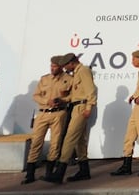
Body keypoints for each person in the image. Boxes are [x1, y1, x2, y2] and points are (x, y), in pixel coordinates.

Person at [22, 56, 72, 184]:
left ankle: (49, 173)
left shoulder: (69, 79)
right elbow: (36, 95)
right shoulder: (44, 79)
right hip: (43, 113)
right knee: (36, 142)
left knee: (55, 144)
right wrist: (46, 101)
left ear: (61, 67)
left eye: (55, 66)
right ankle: (30, 174)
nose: (52, 68)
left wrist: (62, 100)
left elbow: (72, 96)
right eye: (51, 66)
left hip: (59, 113)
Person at [57, 53, 96, 182]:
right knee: (80, 141)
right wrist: (62, 100)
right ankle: (84, 171)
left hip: (81, 107)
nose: (65, 69)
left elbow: (91, 90)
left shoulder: (83, 70)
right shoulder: (77, 73)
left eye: (65, 66)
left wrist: (89, 107)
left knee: (70, 138)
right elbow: (75, 95)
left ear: (71, 63)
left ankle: (59, 172)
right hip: (76, 106)